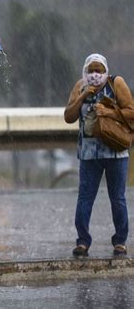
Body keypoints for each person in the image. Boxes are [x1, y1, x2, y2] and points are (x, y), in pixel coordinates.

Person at [64, 53, 133, 257]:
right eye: (91, 70)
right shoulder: (80, 86)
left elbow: (131, 111)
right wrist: (84, 95)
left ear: (106, 70)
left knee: (117, 198)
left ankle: (120, 241)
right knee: (85, 197)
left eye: (99, 70)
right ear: (85, 71)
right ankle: (83, 241)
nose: (95, 74)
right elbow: (68, 116)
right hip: (88, 154)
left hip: (115, 152)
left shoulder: (115, 83)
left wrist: (109, 112)